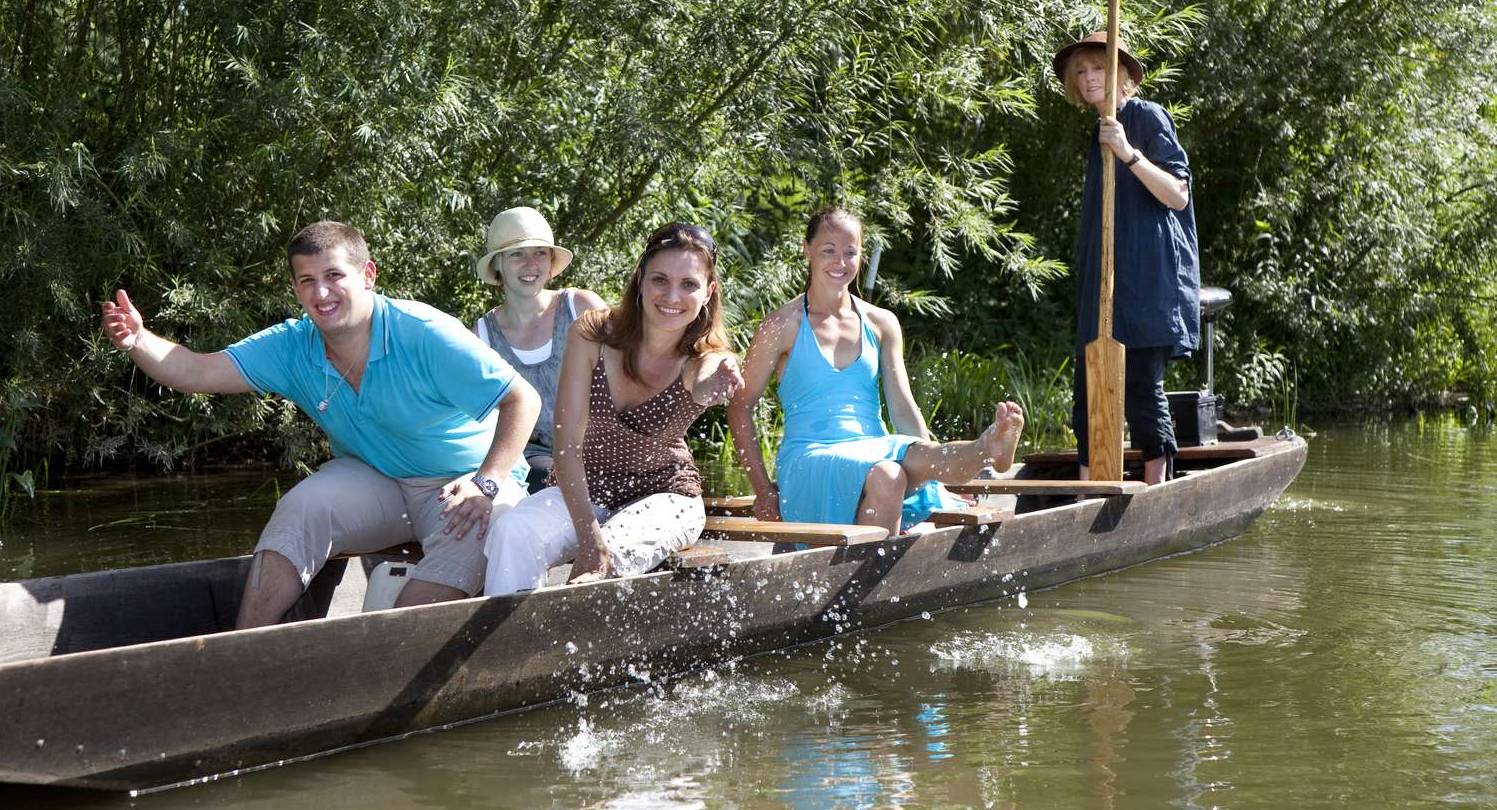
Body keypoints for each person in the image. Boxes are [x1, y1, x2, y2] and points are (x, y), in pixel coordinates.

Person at [100, 221, 539, 627]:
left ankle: (382, 656)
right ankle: (241, 649)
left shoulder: (423, 332)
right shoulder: (292, 346)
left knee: (460, 559)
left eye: (334, 276)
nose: (321, 293)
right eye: (307, 281)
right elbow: (195, 371)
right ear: (296, 288)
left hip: (463, 481)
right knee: (302, 507)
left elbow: (523, 399)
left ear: (368, 274)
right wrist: (138, 340)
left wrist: (487, 483)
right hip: (376, 478)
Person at [726, 206, 1025, 539]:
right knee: (889, 474)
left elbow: (902, 407)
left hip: (876, 447)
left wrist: (929, 473)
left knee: (898, 468)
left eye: (850, 252)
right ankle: (985, 449)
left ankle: (989, 448)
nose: (840, 262)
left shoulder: (881, 323)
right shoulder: (781, 326)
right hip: (811, 456)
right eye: (828, 251)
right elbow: (740, 406)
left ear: (861, 255)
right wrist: (764, 489)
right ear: (806, 249)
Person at [482, 222, 743, 595]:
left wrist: (718, 379)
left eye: (689, 284)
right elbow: (566, 445)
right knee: (512, 532)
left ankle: (569, 649)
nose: (672, 295)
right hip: (586, 487)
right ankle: (502, 647)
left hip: (665, 495)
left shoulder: (704, 356)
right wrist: (589, 537)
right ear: (640, 282)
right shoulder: (593, 334)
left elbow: (705, 377)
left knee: (606, 562)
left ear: (708, 292)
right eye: (660, 280)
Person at [1053, 32, 1200, 484]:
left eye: (1098, 68)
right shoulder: (1097, 132)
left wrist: (1128, 153)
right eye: (1081, 72)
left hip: (1147, 276)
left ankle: (1157, 489)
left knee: (1139, 387)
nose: (1089, 77)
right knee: (1088, 390)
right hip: (1104, 279)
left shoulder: (1145, 118)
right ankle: (1087, 495)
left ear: (1121, 78)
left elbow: (1177, 195)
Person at [472, 206, 607, 493]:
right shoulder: (482, 336)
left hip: (601, 447)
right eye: (517, 254)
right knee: (543, 483)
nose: (531, 264)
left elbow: (631, 369)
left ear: (550, 262)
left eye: (540, 252)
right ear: (498, 265)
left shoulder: (581, 307)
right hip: (533, 460)